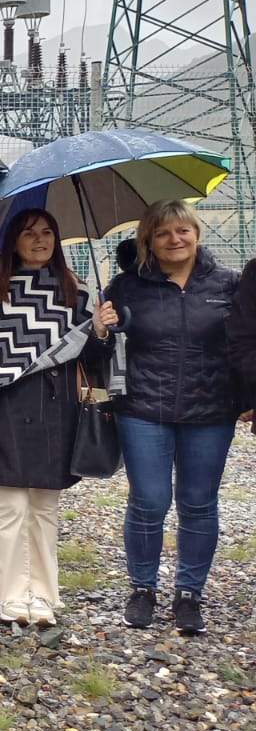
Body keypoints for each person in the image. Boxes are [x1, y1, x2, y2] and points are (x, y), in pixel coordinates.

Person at [0, 209, 116, 625]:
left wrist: (101, 331)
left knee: (46, 508)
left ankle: (45, 594)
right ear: (12, 241)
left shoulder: (78, 291)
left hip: (60, 411)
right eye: (29, 233)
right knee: (13, 507)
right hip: (9, 411)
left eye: (48, 232)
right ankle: (11, 595)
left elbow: (94, 360)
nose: (40, 240)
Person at [106, 199, 239, 634]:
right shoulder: (126, 288)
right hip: (145, 408)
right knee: (149, 501)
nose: (174, 239)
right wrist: (101, 328)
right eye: (163, 233)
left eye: (182, 230)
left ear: (196, 234)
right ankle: (142, 588)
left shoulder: (230, 285)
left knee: (199, 503)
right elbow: (102, 356)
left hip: (211, 410)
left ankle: (189, 594)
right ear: (148, 241)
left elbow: (247, 345)